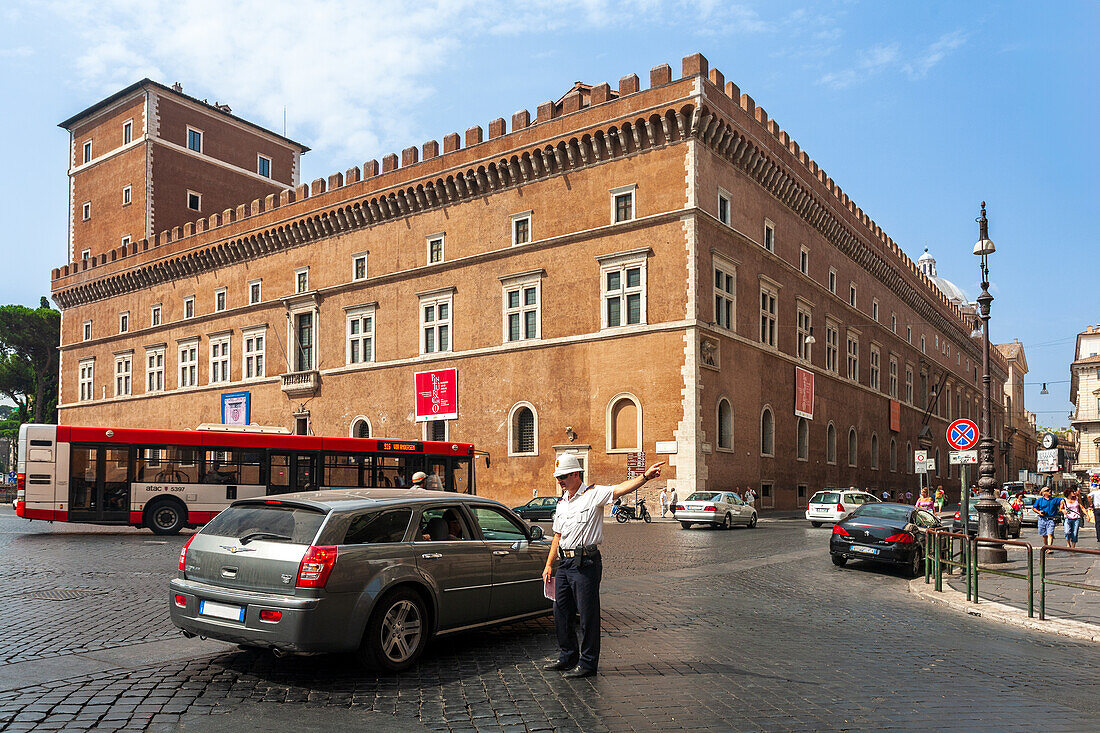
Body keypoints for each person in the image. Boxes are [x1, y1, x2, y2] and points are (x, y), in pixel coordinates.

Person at [541, 453, 664, 679]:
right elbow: (557, 536)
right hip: (565, 564)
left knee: (587, 615)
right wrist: (549, 565)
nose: (560, 480)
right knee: (561, 613)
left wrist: (645, 477)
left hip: (586, 562)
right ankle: (568, 656)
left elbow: (620, 489)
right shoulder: (562, 503)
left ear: (576, 474)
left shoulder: (593, 494)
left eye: (564, 476)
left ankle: (588, 663)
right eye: (558, 477)